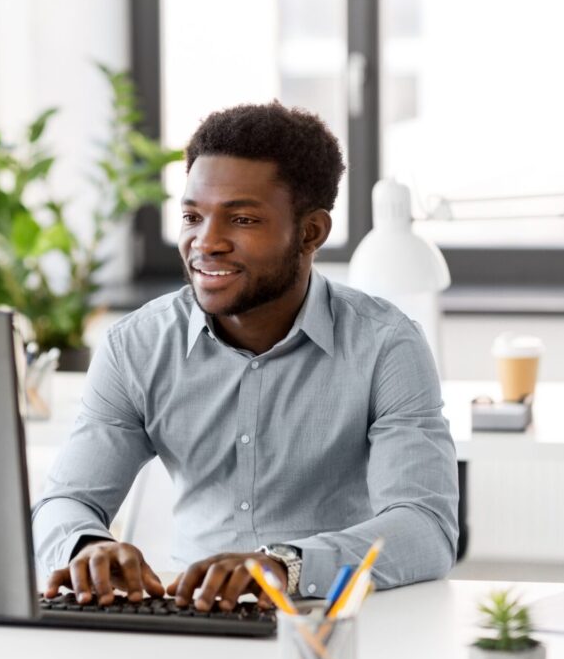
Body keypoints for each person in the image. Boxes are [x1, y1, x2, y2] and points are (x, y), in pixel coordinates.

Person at [31, 101, 459, 613]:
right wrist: (86, 546)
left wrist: (284, 565)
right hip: (188, 622)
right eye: (192, 216)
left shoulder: (386, 345)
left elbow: (424, 527)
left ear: (311, 233)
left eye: (242, 218)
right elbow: (65, 501)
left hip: (333, 621)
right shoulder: (137, 346)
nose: (205, 243)